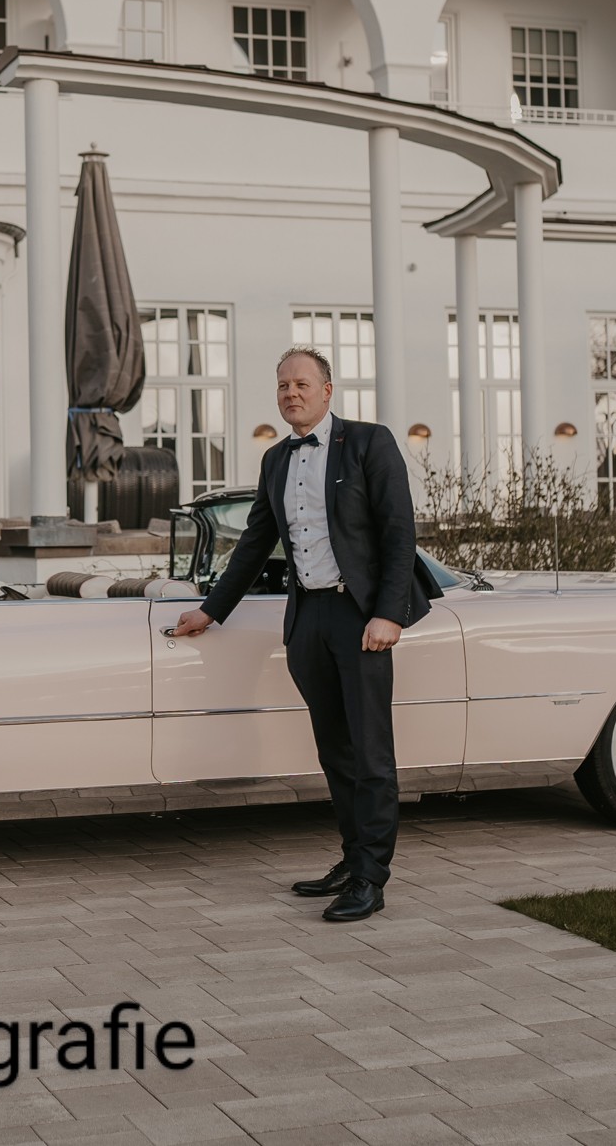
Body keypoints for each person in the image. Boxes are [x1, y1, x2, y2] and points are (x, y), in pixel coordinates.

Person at [170, 347, 436, 921]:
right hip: (307, 618)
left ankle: (371, 877)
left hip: (360, 617)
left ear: (327, 390)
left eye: (302, 384)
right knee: (334, 750)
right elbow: (253, 544)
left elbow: (398, 531)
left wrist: (388, 614)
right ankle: (352, 859)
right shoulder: (275, 460)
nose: (291, 393)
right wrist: (211, 611)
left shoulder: (369, 442)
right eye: (283, 386)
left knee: (370, 751)